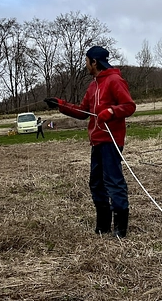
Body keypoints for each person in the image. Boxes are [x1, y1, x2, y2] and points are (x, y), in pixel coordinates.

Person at [45, 45, 136, 238]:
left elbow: (129, 106)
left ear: (94, 62)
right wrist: (60, 105)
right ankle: (103, 226)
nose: (85, 65)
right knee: (96, 183)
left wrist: (110, 112)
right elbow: (81, 112)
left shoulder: (115, 80)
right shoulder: (93, 85)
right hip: (96, 141)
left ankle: (120, 229)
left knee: (113, 181)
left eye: (87, 61)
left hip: (111, 141)